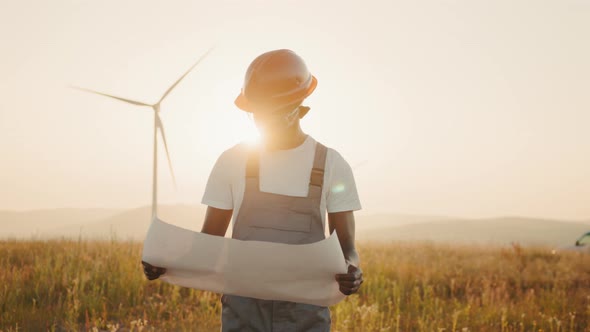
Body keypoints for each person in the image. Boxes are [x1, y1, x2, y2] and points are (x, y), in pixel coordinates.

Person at [143, 49, 364, 331]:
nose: (261, 120)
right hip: (243, 314)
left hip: (306, 317)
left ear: (298, 106)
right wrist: (165, 263)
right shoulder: (232, 161)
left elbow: (348, 249)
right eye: (256, 113)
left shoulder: (332, 165)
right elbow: (208, 242)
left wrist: (352, 271)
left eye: (270, 112)